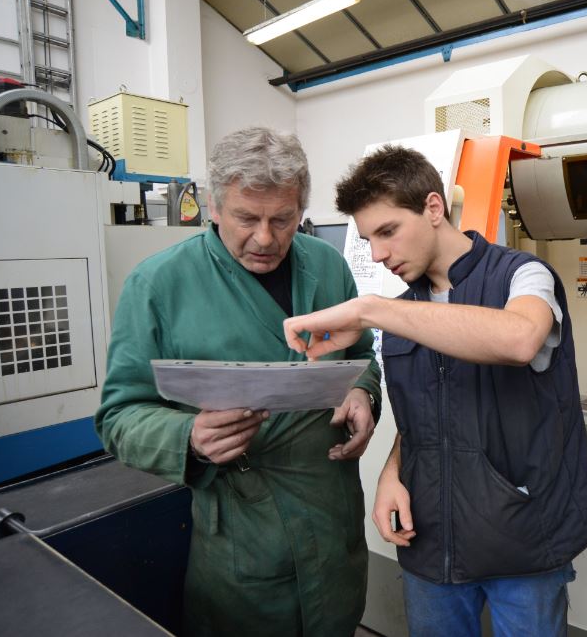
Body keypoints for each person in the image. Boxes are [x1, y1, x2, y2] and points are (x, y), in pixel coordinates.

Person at [282, 145, 587, 637]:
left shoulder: (522, 275)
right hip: (429, 545)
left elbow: (519, 339)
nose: (378, 254)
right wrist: (391, 475)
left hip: (521, 539)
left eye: (388, 231)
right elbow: (429, 412)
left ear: (433, 208)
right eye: (369, 238)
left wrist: (371, 309)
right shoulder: (400, 311)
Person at [95, 127, 382, 637]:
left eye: (284, 219)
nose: (266, 238)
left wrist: (363, 391)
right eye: (247, 218)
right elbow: (119, 414)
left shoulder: (328, 267)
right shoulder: (159, 285)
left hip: (331, 518)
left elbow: (360, 354)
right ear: (213, 206)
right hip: (241, 537)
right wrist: (188, 438)